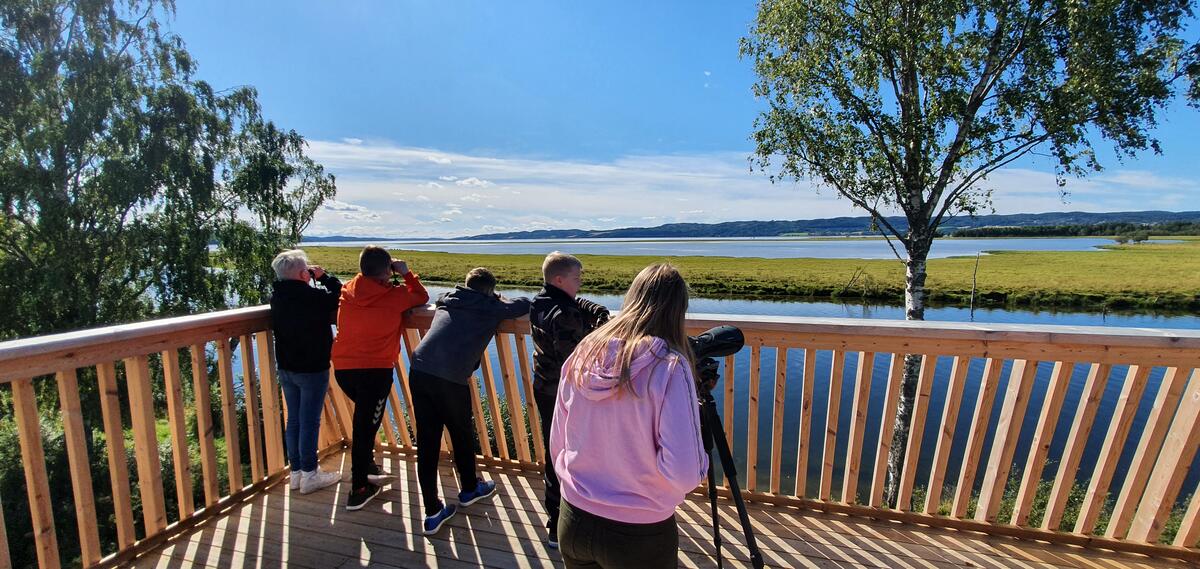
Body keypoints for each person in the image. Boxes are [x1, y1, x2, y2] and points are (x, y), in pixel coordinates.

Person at [549, 263, 706, 569]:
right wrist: (658, 495)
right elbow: (686, 472)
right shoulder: (671, 367)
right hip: (640, 534)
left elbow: (558, 439)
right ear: (678, 311)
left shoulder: (585, 353)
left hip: (573, 517)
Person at [408, 267, 532, 535]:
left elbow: (445, 297)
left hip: (419, 369)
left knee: (427, 442)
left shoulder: (447, 298)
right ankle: (469, 489)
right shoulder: (491, 307)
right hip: (450, 377)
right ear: (490, 290)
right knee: (462, 434)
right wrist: (497, 300)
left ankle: (432, 512)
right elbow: (523, 304)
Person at [331, 245, 430, 510]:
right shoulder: (396, 296)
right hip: (374, 371)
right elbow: (421, 296)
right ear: (387, 271)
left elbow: (366, 280)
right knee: (364, 428)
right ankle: (359, 487)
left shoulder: (348, 289)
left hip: (343, 369)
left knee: (364, 422)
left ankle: (368, 468)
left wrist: (383, 273)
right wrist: (406, 274)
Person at [530, 251, 610, 547]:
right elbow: (581, 356)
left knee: (554, 450)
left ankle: (555, 518)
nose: (580, 283)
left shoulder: (540, 301)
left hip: (543, 386)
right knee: (569, 453)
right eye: (577, 278)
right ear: (561, 280)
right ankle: (561, 521)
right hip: (565, 394)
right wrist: (601, 328)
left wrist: (594, 309)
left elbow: (575, 304)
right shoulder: (566, 316)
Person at [269, 249, 342, 494]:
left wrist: (311, 279)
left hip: (287, 367)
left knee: (294, 420)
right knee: (310, 421)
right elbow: (340, 295)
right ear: (303, 273)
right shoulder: (311, 297)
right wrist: (323, 277)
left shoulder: (277, 297)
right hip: (312, 367)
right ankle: (310, 474)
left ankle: (297, 473)